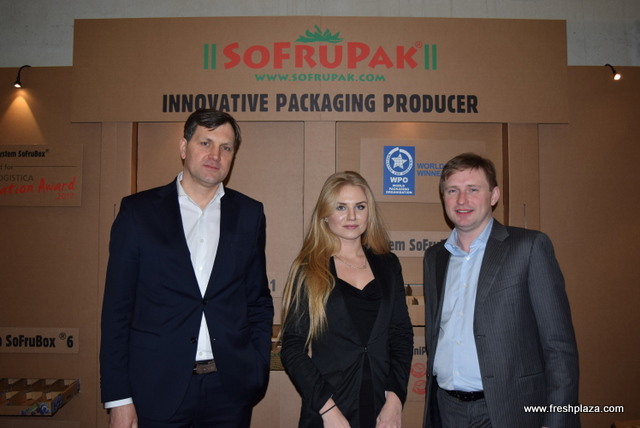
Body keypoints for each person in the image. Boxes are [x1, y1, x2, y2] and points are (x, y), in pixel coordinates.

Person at [99, 109, 274, 428]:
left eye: (225, 147)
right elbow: (117, 311)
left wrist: (257, 365)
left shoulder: (249, 214)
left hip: (230, 390)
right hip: (156, 388)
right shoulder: (138, 213)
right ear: (183, 147)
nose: (215, 155)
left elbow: (258, 300)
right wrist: (119, 398)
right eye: (205, 143)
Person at [422, 153, 579, 428]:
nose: (462, 200)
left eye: (473, 189)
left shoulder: (529, 247)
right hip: (447, 409)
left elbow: (559, 345)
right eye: (452, 190)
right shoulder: (435, 258)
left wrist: (557, 419)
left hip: (510, 411)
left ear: (494, 195)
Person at [280, 171, 414, 428]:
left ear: (369, 212)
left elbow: (401, 334)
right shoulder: (308, 269)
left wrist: (395, 400)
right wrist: (328, 410)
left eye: (360, 207)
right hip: (329, 409)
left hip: (381, 409)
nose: (352, 216)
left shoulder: (388, 265)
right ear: (325, 215)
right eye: (341, 207)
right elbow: (292, 347)